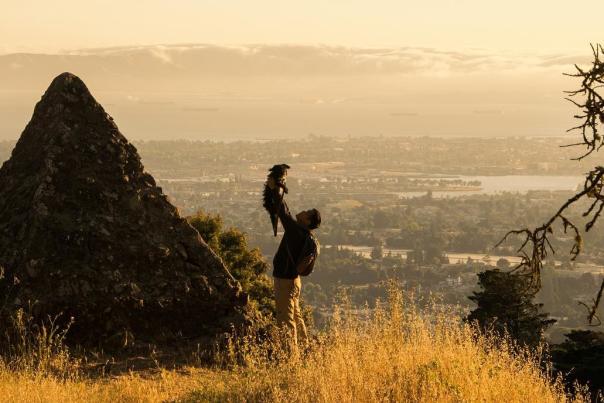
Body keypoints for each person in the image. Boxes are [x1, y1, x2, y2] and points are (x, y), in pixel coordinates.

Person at [272, 196, 321, 349]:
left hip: (285, 281)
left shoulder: (296, 232)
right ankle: (305, 348)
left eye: (307, 212)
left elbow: (283, 213)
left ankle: (291, 357)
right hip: (295, 281)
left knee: (285, 319)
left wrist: (277, 190)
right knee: (295, 316)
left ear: (307, 221)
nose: (303, 211)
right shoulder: (307, 236)